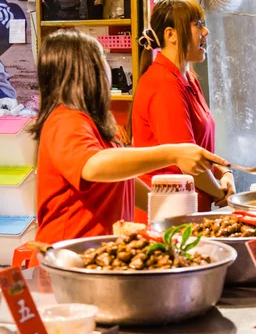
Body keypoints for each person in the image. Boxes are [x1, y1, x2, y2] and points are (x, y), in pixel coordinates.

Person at [31, 29, 227, 244]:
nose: (108, 68)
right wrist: (174, 153)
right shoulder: (65, 120)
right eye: (102, 60)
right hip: (69, 256)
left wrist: (172, 216)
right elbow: (93, 166)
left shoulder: (95, 122)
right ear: (85, 71)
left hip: (99, 253)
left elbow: (122, 182)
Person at [132, 0, 233, 212]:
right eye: (198, 25)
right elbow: (186, 161)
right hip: (168, 214)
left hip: (189, 210)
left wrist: (224, 173)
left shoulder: (188, 78)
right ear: (171, 35)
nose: (205, 32)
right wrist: (222, 195)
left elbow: (199, 151)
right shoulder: (164, 83)